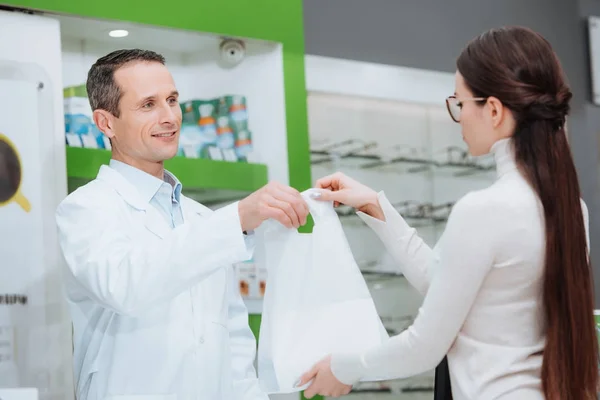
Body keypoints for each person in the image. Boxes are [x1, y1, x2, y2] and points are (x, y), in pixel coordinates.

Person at [299, 26, 599, 399]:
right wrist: (374, 206)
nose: (457, 117)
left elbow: (424, 347)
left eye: (460, 103)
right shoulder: (571, 208)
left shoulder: (484, 210)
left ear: (492, 109)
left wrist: (343, 367)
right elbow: (447, 283)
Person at [55, 49, 309, 400]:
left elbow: (233, 345)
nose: (170, 116)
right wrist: (234, 219)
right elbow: (126, 286)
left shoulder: (200, 218)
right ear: (106, 123)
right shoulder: (85, 209)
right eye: (148, 105)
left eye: (172, 100)